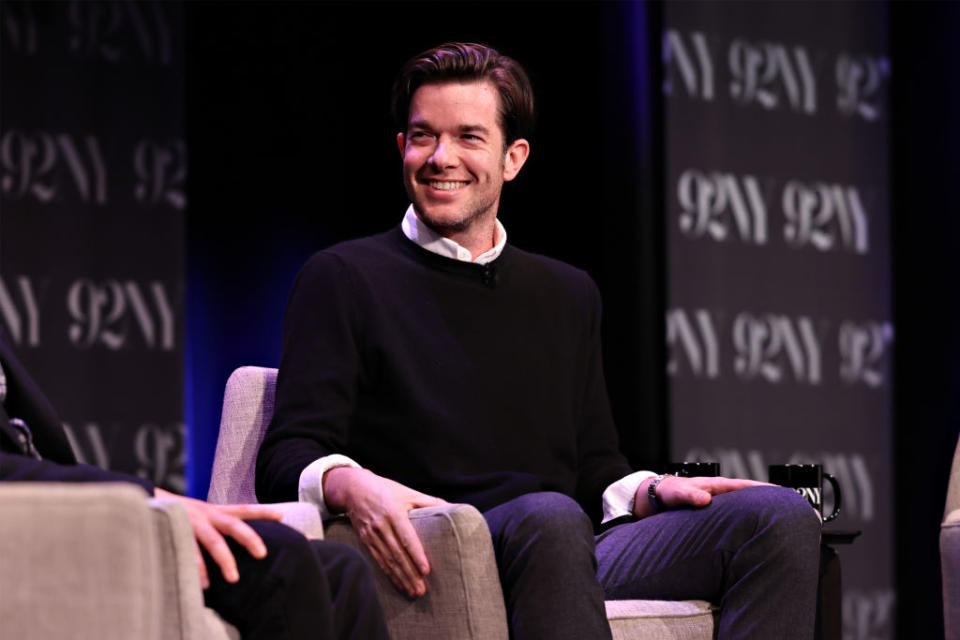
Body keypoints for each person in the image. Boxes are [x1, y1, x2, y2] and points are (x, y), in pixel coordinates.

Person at [256, 42, 821, 639]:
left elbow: (596, 465)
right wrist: (355, 483)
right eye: (423, 137)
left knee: (778, 517)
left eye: (469, 137)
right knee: (549, 515)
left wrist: (653, 490)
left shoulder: (568, 293)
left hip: (565, 550)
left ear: (512, 158)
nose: (441, 157)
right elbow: (286, 455)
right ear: (402, 147)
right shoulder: (343, 278)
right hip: (446, 547)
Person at [0, 328, 391, 640]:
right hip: (37, 530)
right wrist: (143, 498)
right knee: (280, 557)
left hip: (65, 513)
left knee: (341, 568)